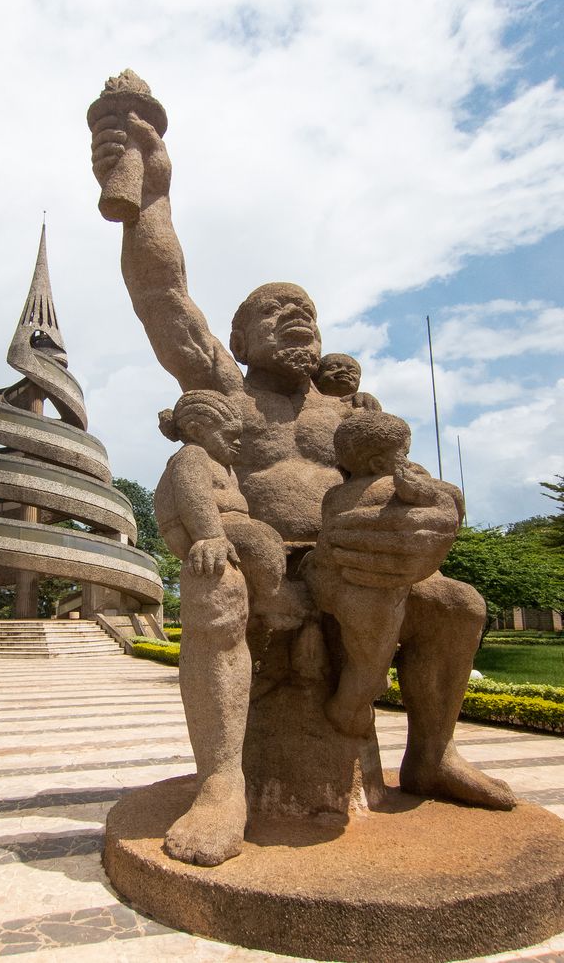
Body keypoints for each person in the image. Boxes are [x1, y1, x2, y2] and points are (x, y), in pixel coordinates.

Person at [90, 103, 515, 867]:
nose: (297, 322)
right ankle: (223, 784)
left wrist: (439, 511)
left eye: (307, 313)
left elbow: (404, 476)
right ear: (241, 336)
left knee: (459, 605)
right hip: (260, 563)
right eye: (275, 313)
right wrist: (149, 194)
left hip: (350, 560)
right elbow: (164, 293)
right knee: (214, 589)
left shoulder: (348, 407)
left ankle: (431, 756)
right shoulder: (228, 389)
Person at [316, 411, 464, 738]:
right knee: (371, 665)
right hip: (373, 591)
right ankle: (346, 707)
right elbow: (442, 499)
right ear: (378, 462)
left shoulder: (334, 495)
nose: (407, 460)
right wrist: (432, 493)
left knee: (368, 660)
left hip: (334, 583)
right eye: (404, 453)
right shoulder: (394, 486)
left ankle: (358, 700)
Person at [155, 389, 306, 631]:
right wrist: (210, 536)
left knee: (267, 540)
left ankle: (270, 593)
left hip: (232, 530)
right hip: (214, 531)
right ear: (196, 430)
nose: (237, 443)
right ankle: (273, 598)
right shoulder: (193, 456)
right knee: (259, 543)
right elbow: (193, 497)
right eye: (229, 436)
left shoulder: (223, 465)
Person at [314, 352, 381, 412]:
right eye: (333, 368)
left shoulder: (359, 402)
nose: (344, 371)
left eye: (352, 371)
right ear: (317, 376)